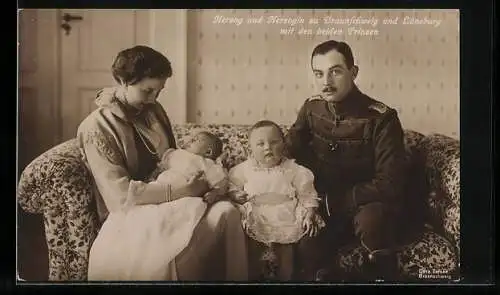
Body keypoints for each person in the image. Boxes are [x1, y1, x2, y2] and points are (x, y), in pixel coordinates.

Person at [77, 45, 247, 281]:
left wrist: (206, 185)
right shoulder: (97, 127)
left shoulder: (153, 110)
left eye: (159, 92)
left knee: (228, 212)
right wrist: (185, 190)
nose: (153, 99)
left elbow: (173, 157)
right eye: (147, 91)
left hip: (177, 197)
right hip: (133, 210)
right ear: (123, 81)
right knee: (175, 250)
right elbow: (118, 197)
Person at [285, 40, 409, 281]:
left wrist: (338, 201)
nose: (326, 82)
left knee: (372, 222)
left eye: (335, 72)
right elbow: (290, 151)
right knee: (307, 247)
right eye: (318, 73)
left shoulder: (382, 118)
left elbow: (390, 182)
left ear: (353, 73)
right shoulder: (312, 108)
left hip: (368, 204)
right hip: (324, 205)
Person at [228, 120, 325, 281]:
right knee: (253, 247)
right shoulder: (244, 169)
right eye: (260, 144)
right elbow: (230, 185)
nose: (268, 147)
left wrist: (309, 213)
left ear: (283, 144)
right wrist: (235, 195)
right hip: (256, 212)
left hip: (286, 213)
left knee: (285, 248)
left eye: (274, 142)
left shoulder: (294, 170)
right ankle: (254, 277)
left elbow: (307, 194)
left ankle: (286, 278)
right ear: (250, 149)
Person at [148, 130, 228, 205]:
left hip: (184, 193)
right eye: (192, 139)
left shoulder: (206, 163)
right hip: (161, 185)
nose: (190, 141)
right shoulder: (178, 153)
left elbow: (221, 182)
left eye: (196, 140)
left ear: (208, 152)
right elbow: (162, 165)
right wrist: (155, 173)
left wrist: (215, 193)